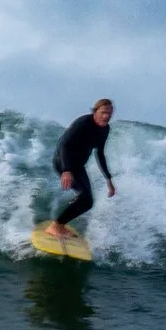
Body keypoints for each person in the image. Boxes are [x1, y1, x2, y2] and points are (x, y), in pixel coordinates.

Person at [42, 98, 116, 238]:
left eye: (109, 113)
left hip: (78, 167)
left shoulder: (105, 129)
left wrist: (108, 179)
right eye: (103, 112)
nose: (106, 116)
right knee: (84, 197)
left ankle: (60, 224)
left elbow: (100, 153)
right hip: (64, 163)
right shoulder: (83, 123)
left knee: (88, 202)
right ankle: (55, 226)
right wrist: (66, 170)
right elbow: (64, 145)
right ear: (95, 111)